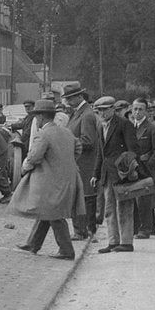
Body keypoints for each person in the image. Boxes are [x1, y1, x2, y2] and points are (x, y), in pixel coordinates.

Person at [10, 99, 84, 260]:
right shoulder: (66, 132)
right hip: (67, 178)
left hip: (50, 181)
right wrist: (66, 163)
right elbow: (79, 148)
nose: (36, 119)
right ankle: (33, 244)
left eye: (36, 116)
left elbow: (34, 157)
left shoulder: (43, 134)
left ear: (41, 117)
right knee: (47, 210)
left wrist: (24, 168)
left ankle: (66, 250)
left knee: (54, 215)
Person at [91, 96, 138, 253]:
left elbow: (133, 149)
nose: (102, 113)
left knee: (124, 207)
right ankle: (113, 241)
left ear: (113, 109)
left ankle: (126, 242)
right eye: (99, 111)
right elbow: (100, 152)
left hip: (122, 173)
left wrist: (125, 170)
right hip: (107, 174)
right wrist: (95, 174)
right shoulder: (101, 126)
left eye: (105, 110)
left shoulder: (124, 124)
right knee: (109, 208)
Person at [63, 85, 100, 239]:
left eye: (70, 98)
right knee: (82, 196)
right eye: (67, 98)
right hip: (79, 162)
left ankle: (83, 230)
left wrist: (67, 142)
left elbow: (88, 140)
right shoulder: (78, 113)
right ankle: (84, 230)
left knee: (84, 197)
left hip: (85, 163)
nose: (68, 101)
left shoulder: (86, 115)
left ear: (79, 97)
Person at [129, 98, 155, 239]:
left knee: (144, 199)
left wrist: (149, 167)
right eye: (135, 109)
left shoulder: (153, 128)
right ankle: (134, 227)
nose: (137, 112)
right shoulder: (128, 127)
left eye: (140, 109)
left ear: (146, 111)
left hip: (145, 168)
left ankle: (145, 229)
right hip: (131, 168)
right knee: (132, 198)